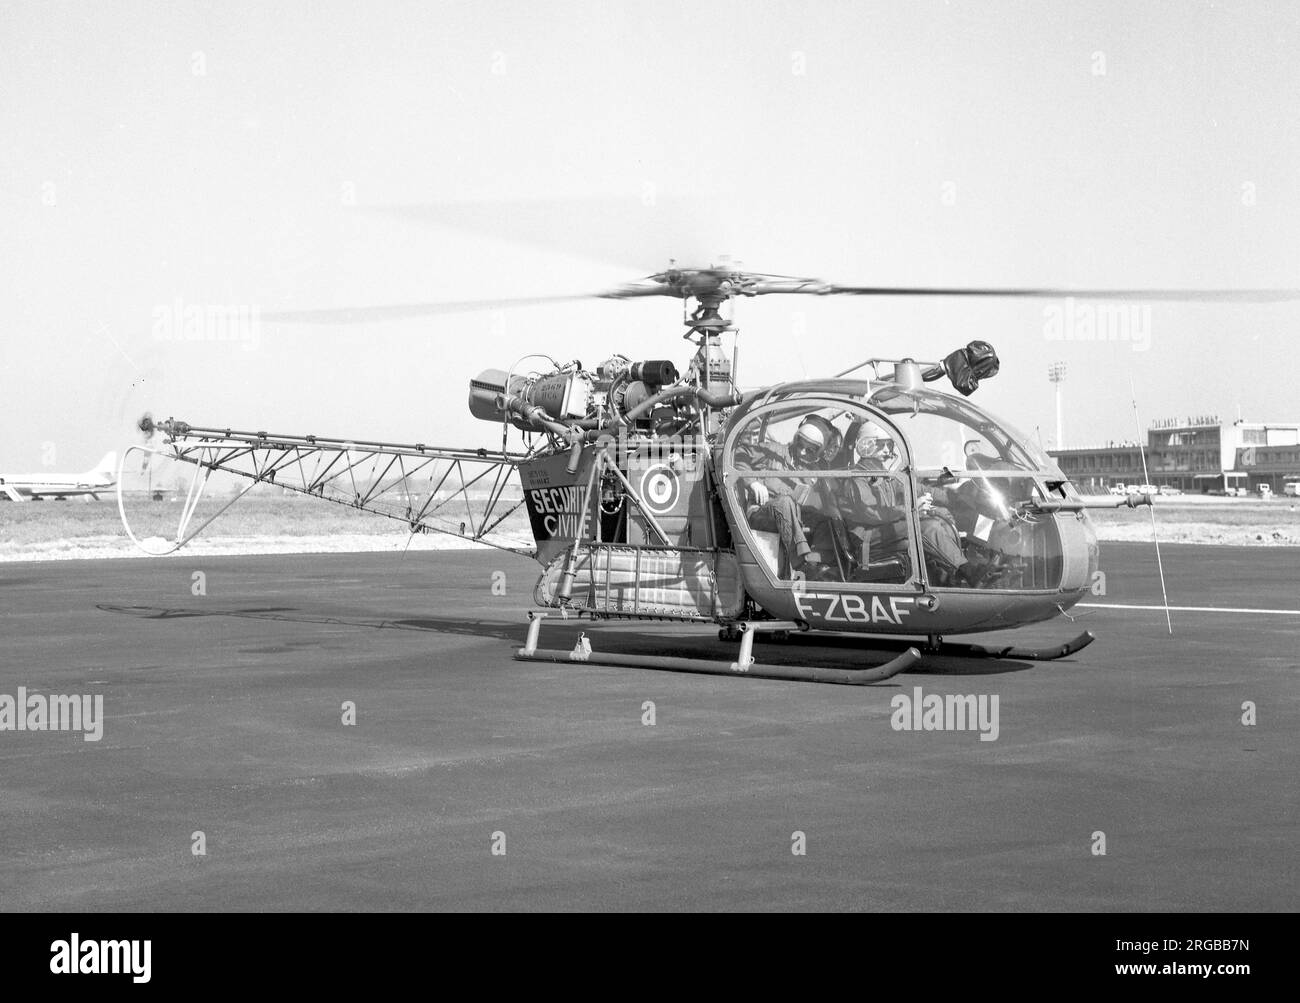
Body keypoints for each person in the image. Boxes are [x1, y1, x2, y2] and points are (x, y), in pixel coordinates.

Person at [737, 414, 840, 580]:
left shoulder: (814, 471)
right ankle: (799, 565)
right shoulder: (772, 451)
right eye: (800, 445)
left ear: (818, 453)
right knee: (785, 502)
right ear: (796, 438)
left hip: (792, 517)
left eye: (810, 450)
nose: (802, 451)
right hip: (762, 513)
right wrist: (752, 483)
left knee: (825, 519)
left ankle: (819, 563)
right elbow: (740, 453)